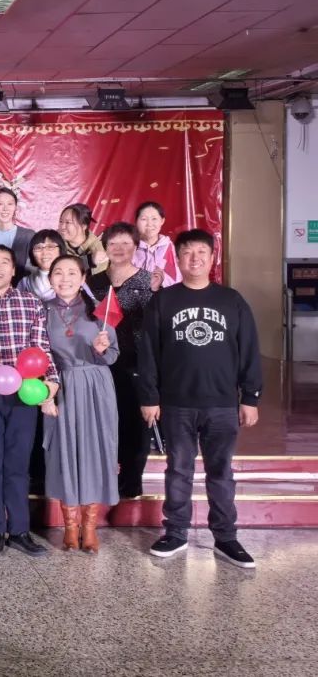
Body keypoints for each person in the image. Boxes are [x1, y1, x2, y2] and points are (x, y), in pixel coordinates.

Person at [138, 229, 262, 568]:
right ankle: (175, 532)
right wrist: (149, 396)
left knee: (220, 471)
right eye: (187, 253)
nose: (194, 259)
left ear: (212, 257)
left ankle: (226, 537)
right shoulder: (163, 301)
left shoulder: (232, 300)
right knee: (178, 470)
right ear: (178, 259)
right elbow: (148, 353)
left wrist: (250, 397)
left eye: (201, 252)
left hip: (221, 404)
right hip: (176, 403)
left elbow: (250, 350)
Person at [0, 245, 60, 558]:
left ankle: (19, 531)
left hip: (24, 390)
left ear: (14, 270)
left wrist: (52, 381)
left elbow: (41, 348)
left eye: (4, 262)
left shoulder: (31, 302)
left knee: (17, 464)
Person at [42, 255, 120, 553]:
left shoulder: (99, 310)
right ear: (50, 278)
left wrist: (101, 349)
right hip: (59, 386)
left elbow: (113, 354)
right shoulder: (41, 310)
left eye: (72, 273)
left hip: (96, 386)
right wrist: (45, 395)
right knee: (64, 452)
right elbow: (36, 354)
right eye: (58, 273)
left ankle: (89, 527)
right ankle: (70, 527)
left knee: (95, 451)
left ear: (83, 277)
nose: (65, 279)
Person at [89, 222, 155, 498]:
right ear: (105, 247)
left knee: (134, 424)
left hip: (136, 363)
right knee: (103, 421)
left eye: (126, 243)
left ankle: (131, 481)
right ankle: (104, 478)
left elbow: (156, 327)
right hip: (100, 363)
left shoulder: (148, 282)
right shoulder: (92, 283)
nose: (119, 248)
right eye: (113, 243)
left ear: (136, 247)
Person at [0, 188, 35, 275]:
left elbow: (34, 268)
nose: (5, 209)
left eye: (10, 204)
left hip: (23, 283)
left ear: (15, 207)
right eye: (0, 204)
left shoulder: (29, 236)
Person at [134, 201, 180, 289]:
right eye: (144, 219)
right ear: (136, 221)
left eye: (154, 219)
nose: (149, 224)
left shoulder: (169, 247)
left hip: (164, 295)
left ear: (162, 221)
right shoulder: (130, 247)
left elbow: (175, 279)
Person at [58, 203, 108, 275]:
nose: (62, 227)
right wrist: (89, 260)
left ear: (83, 226)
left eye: (68, 222)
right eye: (61, 221)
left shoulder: (98, 251)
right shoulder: (55, 241)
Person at [19, 230, 66, 302]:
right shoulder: (25, 283)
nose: (44, 252)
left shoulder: (74, 277)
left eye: (50, 247)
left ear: (61, 250)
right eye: (38, 248)